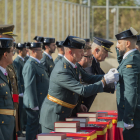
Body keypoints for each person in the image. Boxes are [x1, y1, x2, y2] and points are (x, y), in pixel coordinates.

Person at [39, 35, 119, 133]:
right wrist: (105, 81)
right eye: (80, 51)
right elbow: (82, 90)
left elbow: (88, 78)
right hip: (54, 117)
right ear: (70, 52)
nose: (82, 54)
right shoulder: (62, 70)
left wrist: (107, 77)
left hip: (66, 113)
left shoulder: (74, 65)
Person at [115, 27, 140, 140]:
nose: (117, 46)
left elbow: (131, 91)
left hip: (134, 120)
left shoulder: (131, 60)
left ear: (128, 43)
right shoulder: (132, 58)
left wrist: (128, 118)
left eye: (119, 43)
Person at [22, 42, 49, 140]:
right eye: (40, 51)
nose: (42, 53)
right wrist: (34, 105)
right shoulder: (30, 65)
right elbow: (29, 86)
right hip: (33, 103)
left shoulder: (37, 63)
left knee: (36, 127)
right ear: (33, 52)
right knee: (32, 127)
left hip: (40, 101)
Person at [0, 24, 21, 137]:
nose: (12, 40)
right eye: (8, 38)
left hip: (11, 108)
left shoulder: (8, 65)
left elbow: (14, 86)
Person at [83, 37, 115, 110]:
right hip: (82, 104)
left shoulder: (96, 62)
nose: (107, 55)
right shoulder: (89, 62)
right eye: (105, 52)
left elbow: (103, 76)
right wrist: (115, 86)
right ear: (96, 50)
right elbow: (93, 81)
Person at [0, 38, 16, 140]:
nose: (13, 54)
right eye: (12, 52)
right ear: (5, 55)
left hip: (8, 125)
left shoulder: (5, 73)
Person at [71, 45, 93, 117]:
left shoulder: (78, 68)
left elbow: (90, 78)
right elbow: (80, 89)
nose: (91, 59)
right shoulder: (72, 67)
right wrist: (103, 83)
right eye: (89, 57)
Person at [13, 43, 27, 136]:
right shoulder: (17, 61)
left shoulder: (23, 60)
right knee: (20, 112)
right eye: (25, 50)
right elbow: (18, 77)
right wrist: (20, 92)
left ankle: (22, 128)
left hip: (24, 90)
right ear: (20, 51)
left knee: (23, 112)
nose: (27, 51)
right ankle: (19, 130)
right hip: (21, 92)